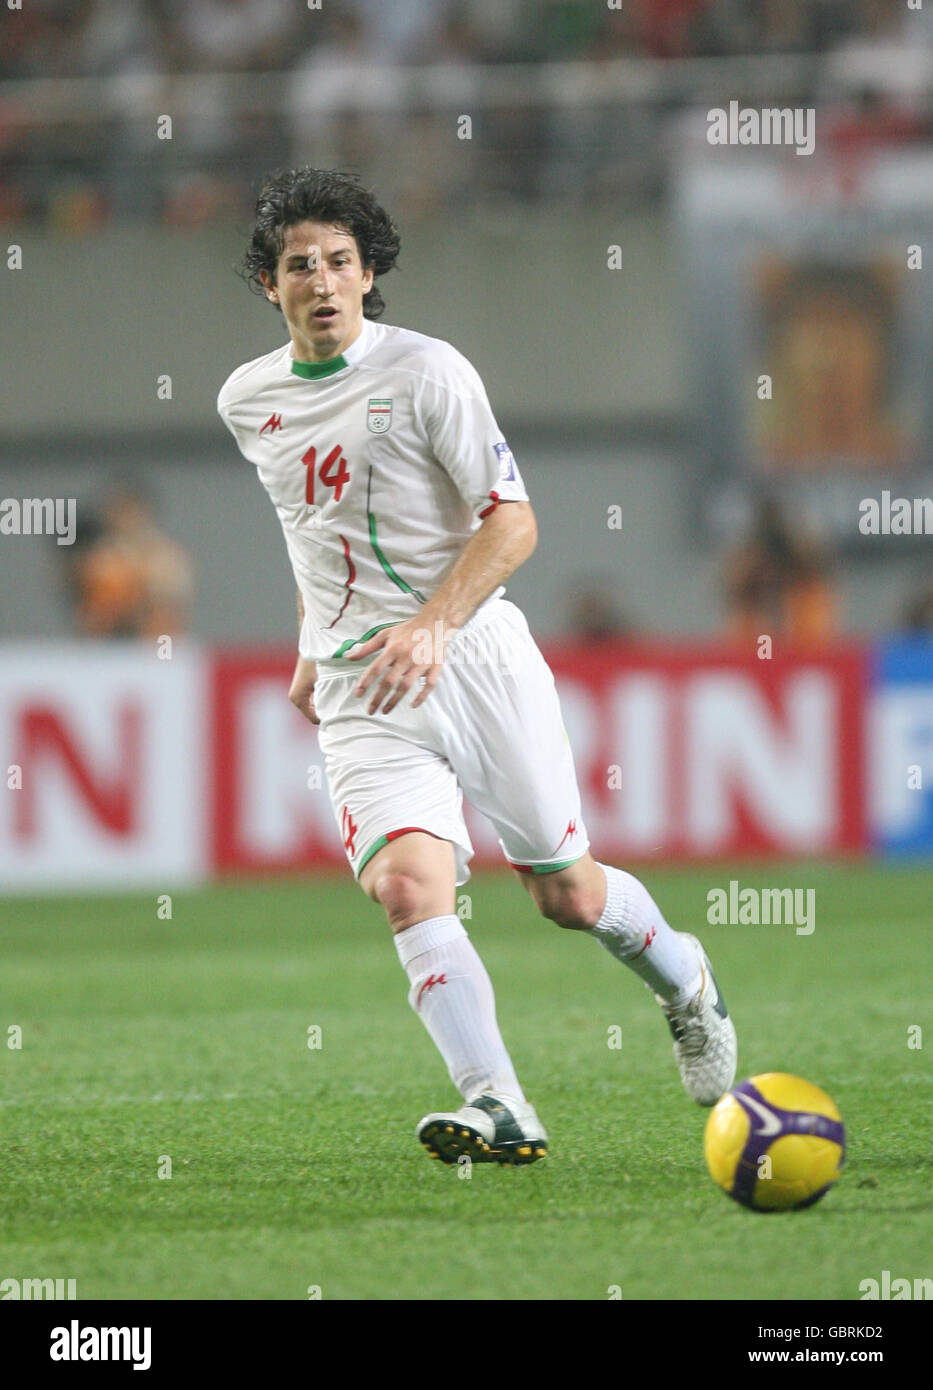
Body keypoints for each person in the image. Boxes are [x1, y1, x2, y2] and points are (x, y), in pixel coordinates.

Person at [217, 167, 736, 1165]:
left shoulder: (429, 374)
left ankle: (689, 982)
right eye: (297, 266)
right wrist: (309, 643)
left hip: (475, 657)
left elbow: (515, 521)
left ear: (370, 276)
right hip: (364, 684)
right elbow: (308, 529)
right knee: (411, 888)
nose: (319, 281)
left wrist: (437, 624)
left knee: (568, 896)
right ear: (267, 286)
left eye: (338, 262)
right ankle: (498, 1102)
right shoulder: (248, 400)